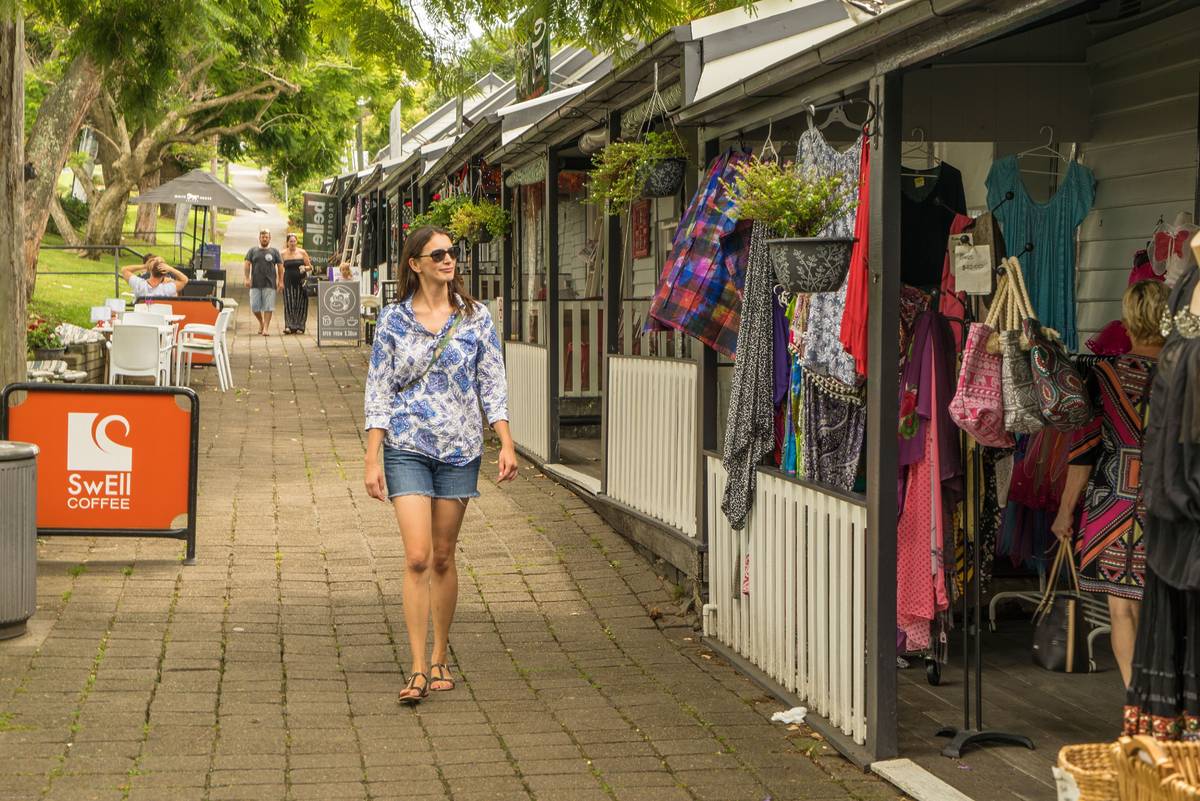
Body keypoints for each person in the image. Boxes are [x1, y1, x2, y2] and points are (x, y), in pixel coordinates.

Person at [363, 226, 519, 705]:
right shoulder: (392, 320)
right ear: (416, 264)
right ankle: (415, 667)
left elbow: (492, 381)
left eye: (453, 253)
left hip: (460, 449)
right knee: (417, 556)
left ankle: (440, 657)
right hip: (406, 445)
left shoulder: (475, 318)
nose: (450, 260)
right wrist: (373, 455)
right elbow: (378, 388)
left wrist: (506, 442)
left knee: (444, 555)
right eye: (439, 254)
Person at [1052, 280, 1169, 687]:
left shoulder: (1101, 376)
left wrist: (1066, 511)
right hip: (1173, 505)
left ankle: (1141, 707)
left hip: (1113, 508)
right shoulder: (1188, 375)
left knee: (1123, 611)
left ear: (1129, 321)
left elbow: (1082, 453)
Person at [244, 229, 283, 336]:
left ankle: (265, 328)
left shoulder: (274, 251)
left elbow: (280, 267)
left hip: (270, 284)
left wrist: (280, 282)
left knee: (268, 307)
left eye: (266, 237)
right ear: (259, 238)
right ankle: (261, 322)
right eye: (262, 237)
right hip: (255, 283)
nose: (264, 239)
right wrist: (247, 278)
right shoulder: (253, 251)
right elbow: (247, 264)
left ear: (270, 238)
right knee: (254, 307)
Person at [280, 233, 312, 334]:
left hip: (301, 281)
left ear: (296, 242)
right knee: (289, 302)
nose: (293, 243)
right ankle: (289, 326)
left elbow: (310, 267)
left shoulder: (302, 252)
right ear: (287, 243)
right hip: (288, 280)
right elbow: (280, 269)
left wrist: (305, 268)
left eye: (294, 241)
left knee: (301, 303)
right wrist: (280, 281)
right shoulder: (283, 253)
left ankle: (300, 326)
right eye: (291, 241)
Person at [121, 255, 188, 298]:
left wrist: (145, 266)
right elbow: (184, 280)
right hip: (162, 320)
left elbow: (124, 270)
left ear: (150, 270)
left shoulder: (139, 285)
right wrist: (170, 268)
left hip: (140, 319)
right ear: (165, 273)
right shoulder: (168, 289)